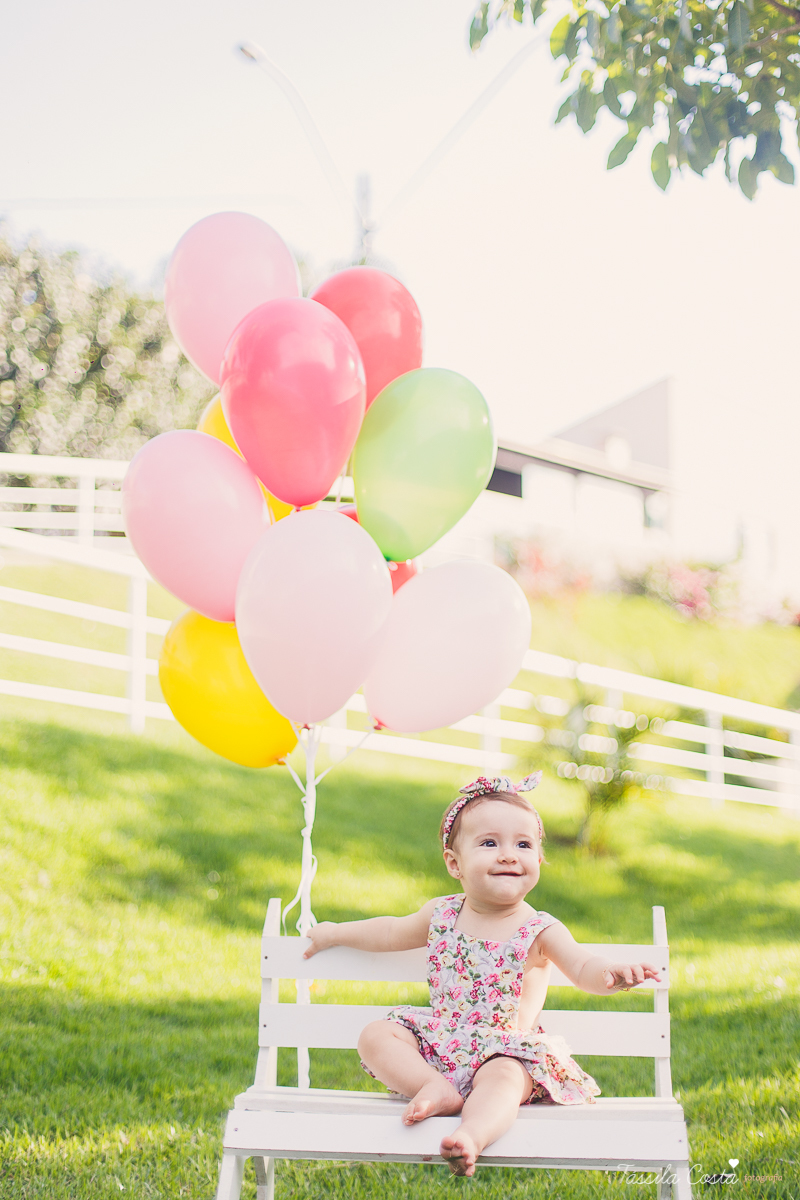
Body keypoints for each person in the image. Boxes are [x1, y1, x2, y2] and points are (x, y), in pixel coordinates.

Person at [303, 772, 661, 1177]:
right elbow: (388, 931)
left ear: (539, 859)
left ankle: (471, 1135)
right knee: (375, 1035)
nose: (509, 855)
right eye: (490, 843)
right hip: (439, 1044)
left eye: (523, 845)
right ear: (454, 863)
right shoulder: (441, 914)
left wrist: (612, 975)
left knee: (505, 1079)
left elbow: (582, 967)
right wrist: (335, 933)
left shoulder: (540, 929)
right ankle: (433, 1088)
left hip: (505, 1051)